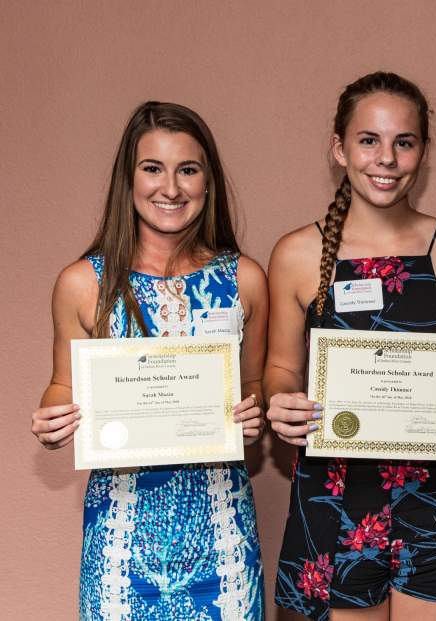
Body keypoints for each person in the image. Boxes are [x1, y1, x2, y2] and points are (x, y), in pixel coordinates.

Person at [265, 72, 436, 620]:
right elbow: (279, 368)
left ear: (423, 150)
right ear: (339, 149)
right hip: (337, 494)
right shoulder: (297, 253)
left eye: (404, 141)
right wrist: (283, 402)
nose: (386, 159)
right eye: (369, 140)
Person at [30, 101, 268, 620]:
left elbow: (254, 386)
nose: (171, 188)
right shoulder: (82, 282)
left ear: (208, 181)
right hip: (121, 535)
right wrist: (52, 416)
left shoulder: (245, 278)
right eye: (152, 168)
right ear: (128, 179)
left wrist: (254, 413)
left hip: (222, 532)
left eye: (188, 169)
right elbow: (61, 385)